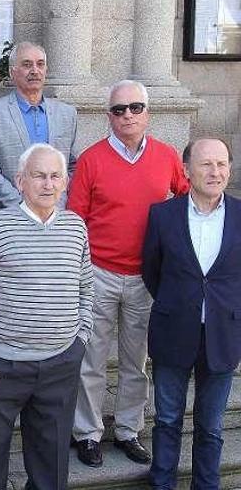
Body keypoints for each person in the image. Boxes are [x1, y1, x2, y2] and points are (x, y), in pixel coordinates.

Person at [69, 79, 190, 467]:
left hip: (146, 277)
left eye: (135, 107)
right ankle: (87, 433)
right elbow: (74, 219)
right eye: (119, 109)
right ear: (109, 116)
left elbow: (188, 200)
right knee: (92, 359)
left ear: (147, 113)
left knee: (136, 360)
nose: (127, 115)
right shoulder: (91, 159)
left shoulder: (167, 156)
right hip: (100, 272)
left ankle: (128, 430)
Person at [0, 143, 93, 489]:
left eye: (55, 176)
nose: (47, 184)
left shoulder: (76, 228)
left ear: (65, 183)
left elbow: (86, 290)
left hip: (59, 364)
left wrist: (79, 341)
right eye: (38, 176)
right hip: (2, 365)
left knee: (50, 466)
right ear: (20, 181)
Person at [143, 138, 241, 490]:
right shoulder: (162, 215)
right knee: (167, 419)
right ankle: (162, 483)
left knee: (212, 425)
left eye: (221, 164)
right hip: (173, 331)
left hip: (223, 336)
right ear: (186, 170)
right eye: (206, 164)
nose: (215, 172)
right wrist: (179, 303)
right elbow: (151, 270)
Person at [0, 41, 79, 214]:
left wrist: (54, 201)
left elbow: (72, 167)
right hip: (8, 216)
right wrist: (27, 208)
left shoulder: (67, 114)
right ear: (12, 72)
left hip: (54, 215)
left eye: (40, 64)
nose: (34, 71)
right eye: (26, 64)